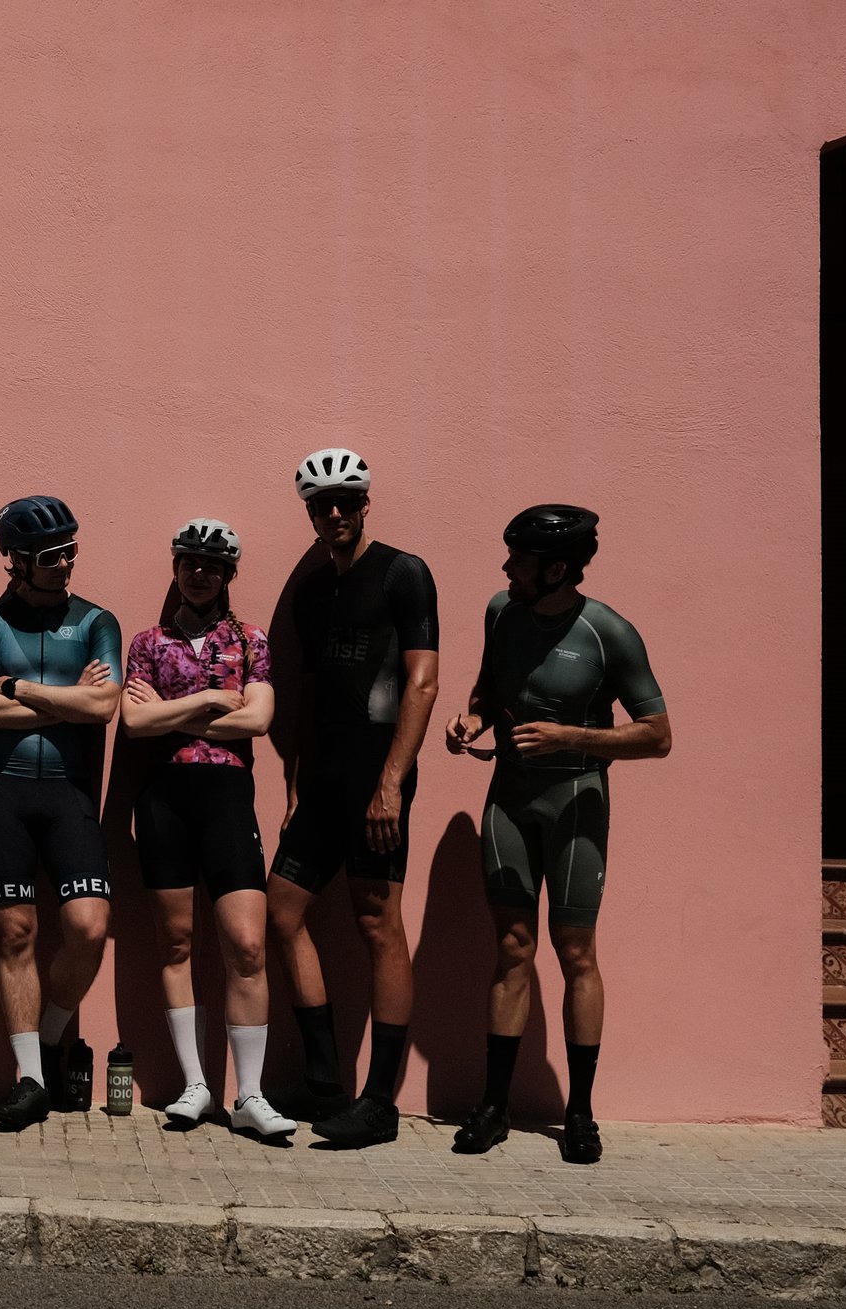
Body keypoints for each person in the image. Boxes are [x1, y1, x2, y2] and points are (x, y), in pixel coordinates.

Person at [444, 504, 671, 1164]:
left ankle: (579, 1112)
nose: (505, 568)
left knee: (575, 951)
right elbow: (489, 690)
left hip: (577, 798)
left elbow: (658, 735)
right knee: (512, 945)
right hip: (509, 798)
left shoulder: (608, 632)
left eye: (517, 559)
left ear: (557, 568)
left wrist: (571, 735)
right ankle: (493, 1105)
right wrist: (471, 720)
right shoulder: (501, 612)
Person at [271, 448, 440, 1151]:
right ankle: (323, 1079)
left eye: (345, 499)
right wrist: (292, 785)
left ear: (366, 501)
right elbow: (309, 697)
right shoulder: (313, 590)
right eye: (321, 504)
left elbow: (423, 683)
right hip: (323, 782)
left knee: (379, 926)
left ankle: (380, 1102)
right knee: (280, 910)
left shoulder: (404, 572)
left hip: (380, 780)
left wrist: (392, 785)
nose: (334, 512)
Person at [120, 520, 289, 1141]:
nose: (199, 573)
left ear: (227, 575)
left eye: (212, 566)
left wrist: (172, 715)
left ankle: (250, 1095)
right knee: (176, 943)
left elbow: (261, 720)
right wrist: (214, 703)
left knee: (246, 946)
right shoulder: (147, 643)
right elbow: (134, 726)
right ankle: (196, 1085)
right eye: (190, 562)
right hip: (163, 798)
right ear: (176, 568)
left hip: (225, 798)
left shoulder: (249, 640)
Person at [0, 496, 122, 1131]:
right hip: (2, 791)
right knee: (16, 934)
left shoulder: (96, 620)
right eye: (52, 556)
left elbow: (105, 706)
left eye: (70, 552)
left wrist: (20, 687)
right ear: (17, 561)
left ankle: (52, 1038)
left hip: (69, 792)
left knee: (87, 927)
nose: (65, 564)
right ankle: (30, 1078)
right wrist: (68, 700)